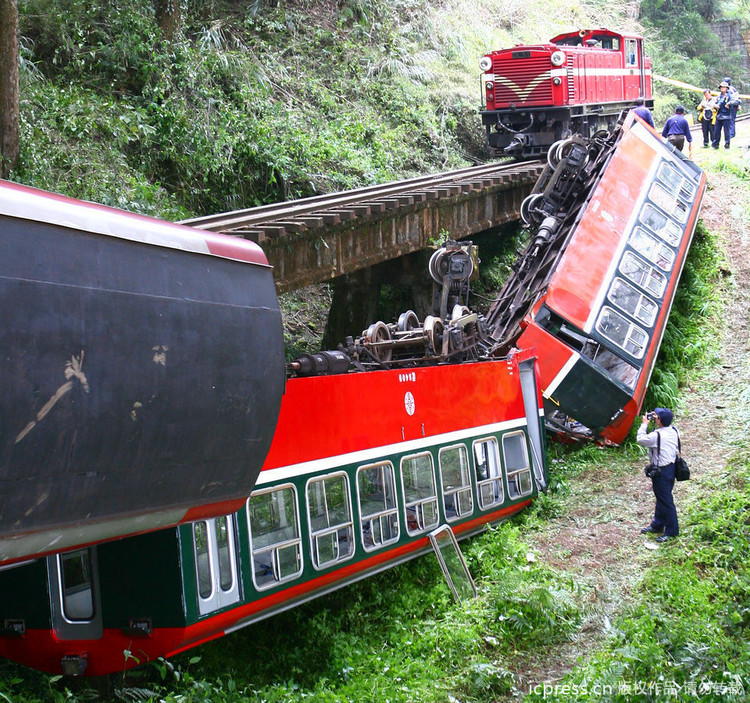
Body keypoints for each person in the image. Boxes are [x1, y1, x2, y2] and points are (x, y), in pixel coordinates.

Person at [637, 407, 680, 543]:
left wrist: (644, 423)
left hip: (661, 472)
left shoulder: (657, 436)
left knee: (666, 501)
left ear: (659, 420)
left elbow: (640, 439)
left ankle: (672, 531)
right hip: (671, 468)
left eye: (656, 416)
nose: (653, 417)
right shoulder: (674, 430)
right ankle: (657, 525)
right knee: (662, 498)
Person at [713, 81, 733, 149]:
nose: (722, 88)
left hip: (726, 116)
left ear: (727, 88)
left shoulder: (729, 96)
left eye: (724, 87)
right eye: (721, 87)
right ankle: (715, 144)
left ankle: (727, 144)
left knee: (726, 132)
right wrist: (715, 106)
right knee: (716, 131)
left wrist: (729, 105)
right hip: (719, 116)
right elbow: (715, 103)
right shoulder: (719, 96)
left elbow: (734, 104)